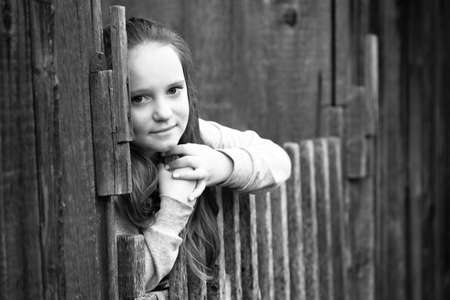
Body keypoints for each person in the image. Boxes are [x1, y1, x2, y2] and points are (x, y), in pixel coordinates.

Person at [103, 18, 291, 293]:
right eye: (139, 98)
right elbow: (128, 284)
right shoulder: (107, 175)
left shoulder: (197, 136)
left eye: (173, 90)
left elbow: (278, 161)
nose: (164, 113)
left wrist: (219, 165)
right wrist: (173, 209)